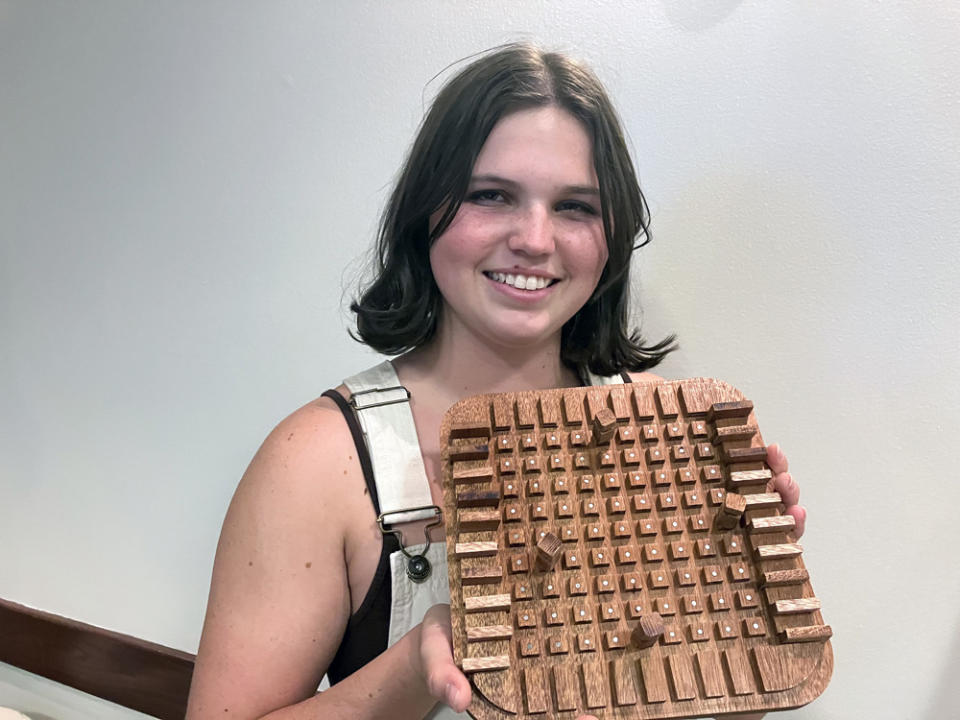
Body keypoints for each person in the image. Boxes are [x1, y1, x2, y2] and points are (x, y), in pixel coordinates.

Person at [185, 43, 807, 720]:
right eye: (491, 195)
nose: (535, 240)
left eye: (575, 207)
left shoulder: (653, 425)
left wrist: (735, 595)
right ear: (426, 211)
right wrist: (422, 663)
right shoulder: (316, 462)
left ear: (613, 236)